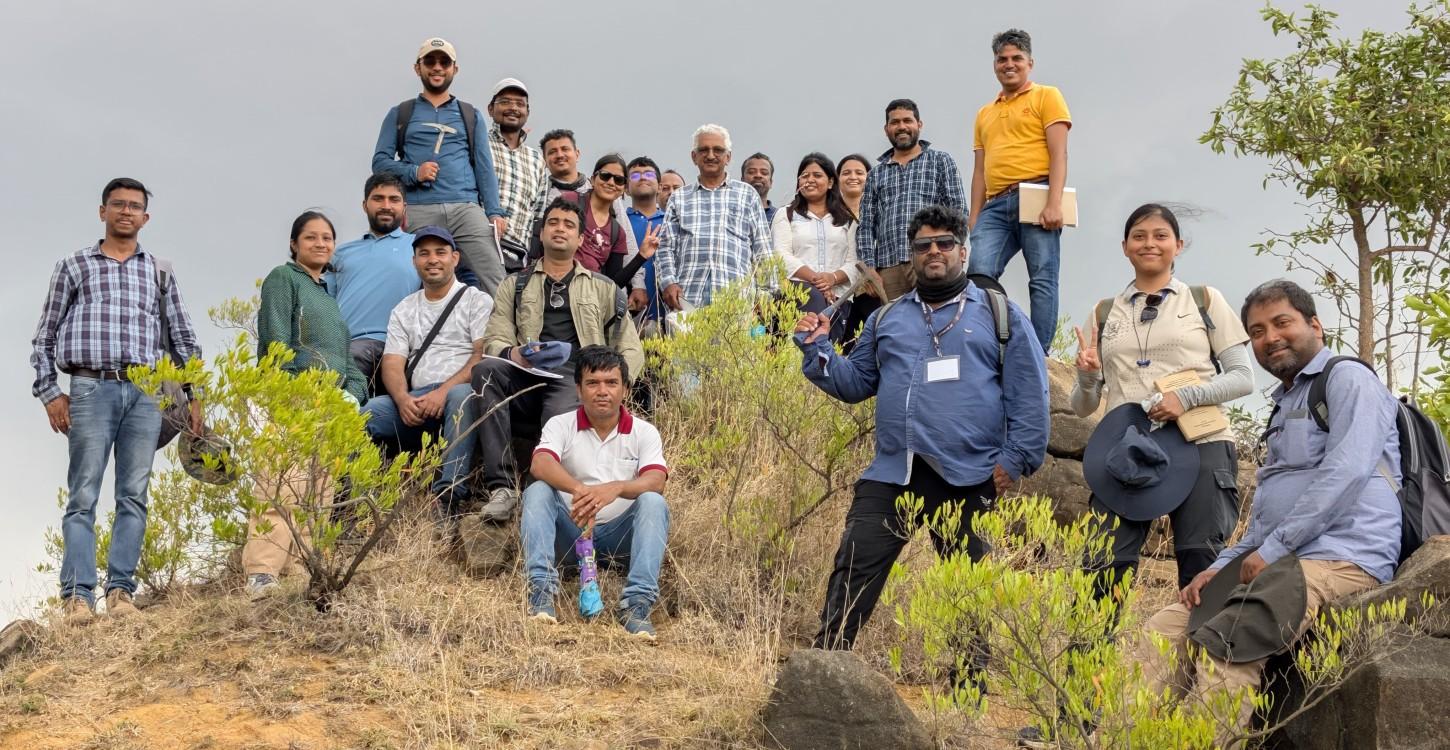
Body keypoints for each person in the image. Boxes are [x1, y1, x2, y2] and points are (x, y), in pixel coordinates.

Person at [1128, 279, 1401, 741]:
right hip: (1281, 556)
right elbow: (1267, 518)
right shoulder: (1285, 404)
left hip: (1340, 556)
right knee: (1163, 630)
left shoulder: (1348, 378)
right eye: (1256, 331)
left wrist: (1274, 549)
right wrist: (1219, 567)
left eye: (1281, 323)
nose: (1269, 337)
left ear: (1314, 324)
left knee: (1232, 638)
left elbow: (1347, 472)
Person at [793, 205, 1049, 654]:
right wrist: (819, 351)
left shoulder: (998, 313)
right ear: (911, 255)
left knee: (968, 588)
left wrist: (1015, 460)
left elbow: (1030, 395)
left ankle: (966, 695)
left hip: (969, 474)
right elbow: (856, 384)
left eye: (944, 243)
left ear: (963, 253)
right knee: (853, 566)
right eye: (923, 245)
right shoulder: (886, 318)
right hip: (894, 470)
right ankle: (825, 664)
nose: (934, 251)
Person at [31, 177, 203, 623]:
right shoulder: (74, 266)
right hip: (90, 387)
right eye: (118, 205)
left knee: (134, 494)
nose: (126, 212)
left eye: (135, 206)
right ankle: (77, 597)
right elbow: (44, 336)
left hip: (147, 392)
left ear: (146, 217)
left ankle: (121, 592)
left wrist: (195, 396)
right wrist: (51, 393)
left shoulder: (160, 271)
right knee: (83, 493)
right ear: (102, 211)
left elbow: (184, 339)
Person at [1075, 204, 1254, 591]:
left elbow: (1243, 378)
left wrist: (1186, 398)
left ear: (1178, 245)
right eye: (1139, 236)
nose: (1149, 244)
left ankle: (1199, 653)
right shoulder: (1106, 313)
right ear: (1125, 246)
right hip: (1125, 448)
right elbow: (1083, 406)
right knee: (1104, 565)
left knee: (1201, 562)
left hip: (1201, 442)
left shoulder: (1204, 300)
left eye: (1160, 236)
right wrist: (1087, 377)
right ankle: (1089, 653)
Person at [472, 197, 646, 523]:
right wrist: (513, 354)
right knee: (485, 370)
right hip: (526, 369)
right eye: (553, 223)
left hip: (576, 377)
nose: (560, 229)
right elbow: (495, 337)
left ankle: (544, 494)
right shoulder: (516, 283)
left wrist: (617, 386)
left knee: (559, 413)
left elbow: (631, 348)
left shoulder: (604, 288)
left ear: (581, 239)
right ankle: (503, 487)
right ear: (541, 232)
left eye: (569, 225)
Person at [247, 211, 369, 597]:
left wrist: (352, 392)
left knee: (320, 492)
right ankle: (263, 573)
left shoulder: (327, 296)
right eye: (311, 237)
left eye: (327, 238)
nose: (320, 244)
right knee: (280, 487)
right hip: (293, 398)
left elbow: (347, 361)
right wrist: (296, 390)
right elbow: (277, 340)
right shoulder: (283, 279)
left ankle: (301, 570)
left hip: (333, 406)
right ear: (294, 244)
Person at [521, 346, 670, 638]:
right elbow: (540, 463)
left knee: (653, 502)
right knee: (537, 490)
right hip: (570, 533)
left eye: (611, 383)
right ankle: (540, 594)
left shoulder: (644, 431)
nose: (602, 391)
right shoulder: (561, 424)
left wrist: (616, 488)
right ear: (578, 389)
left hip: (620, 540)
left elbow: (656, 480)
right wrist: (583, 493)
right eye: (592, 383)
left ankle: (636, 605)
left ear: (626, 389)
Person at [362, 226, 494, 525]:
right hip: (416, 399)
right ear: (414, 262)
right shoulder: (404, 309)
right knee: (369, 413)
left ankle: (448, 498)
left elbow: (480, 358)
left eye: (440, 252)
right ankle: (362, 500)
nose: (432, 259)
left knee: (462, 396)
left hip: (457, 394)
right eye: (424, 253)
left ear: (455, 258)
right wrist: (402, 398)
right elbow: (393, 362)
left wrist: (443, 391)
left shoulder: (477, 300)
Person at [372, 37, 508, 293]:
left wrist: (494, 211)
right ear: (418, 68)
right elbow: (380, 163)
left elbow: (483, 166)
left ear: (454, 69)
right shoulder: (401, 113)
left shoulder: (470, 114)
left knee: (494, 275)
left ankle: (510, 334)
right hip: (418, 209)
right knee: (407, 279)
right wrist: (413, 172)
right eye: (430, 61)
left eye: (444, 62)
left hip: (465, 207)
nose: (437, 67)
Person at [967, 28, 1073, 353]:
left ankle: (1038, 352)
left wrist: (1054, 202)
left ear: (1029, 62)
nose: (1009, 64)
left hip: (1037, 192)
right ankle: (987, 344)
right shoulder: (985, 112)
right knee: (977, 274)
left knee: (1041, 278)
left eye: (1016, 58)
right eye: (1002, 59)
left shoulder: (1046, 95)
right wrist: (974, 218)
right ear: (994, 64)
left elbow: (1059, 154)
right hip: (996, 203)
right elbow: (979, 170)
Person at [852, 100, 966, 336]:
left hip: (931, 257)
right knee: (897, 330)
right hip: (888, 266)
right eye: (895, 122)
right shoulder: (876, 174)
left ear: (919, 125)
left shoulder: (940, 161)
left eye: (907, 121)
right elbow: (866, 226)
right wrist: (868, 269)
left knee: (940, 321)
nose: (901, 126)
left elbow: (958, 211)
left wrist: (953, 251)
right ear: (886, 129)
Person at [655, 124, 773, 310]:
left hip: (737, 302)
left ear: (728, 157)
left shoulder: (747, 194)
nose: (710, 155)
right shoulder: (679, 197)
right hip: (687, 300)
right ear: (694, 157)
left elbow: (763, 250)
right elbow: (665, 247)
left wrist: (765, 295)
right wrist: (668, 282)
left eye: (718, 150)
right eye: (703, 150)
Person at [329, 173, 421, 397]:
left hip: (402, 348)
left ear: (404, 207)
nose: (386, 206)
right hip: (351, 346)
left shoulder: (420, 247)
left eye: (394, 199)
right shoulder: (341, 253)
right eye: (378, 198)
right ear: (365, 205)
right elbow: (325, 303)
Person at [772, 152, 860, 342]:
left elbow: (855, 262)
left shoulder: (847, 219)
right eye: (804, 176)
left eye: (817, 175)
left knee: (831, 353)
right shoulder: (786, 214)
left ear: (830, 182)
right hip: (797, 294)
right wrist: (817, 281)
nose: (809, 180)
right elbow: (781, 255)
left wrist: (833, 278)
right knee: (802, 347)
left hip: (837, 297)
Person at [533, 130, 639, 260]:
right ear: (544, 160)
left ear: (577, 154)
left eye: (565, 149)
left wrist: (636, 279)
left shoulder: (603, 188)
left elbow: (627, 241)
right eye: (552, 152)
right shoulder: (541, 194)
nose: (560, 155)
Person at [559, 154, 659, 287]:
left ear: (623, 189)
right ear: (593, 179)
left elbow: (613, 285)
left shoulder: (617, 232)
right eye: (605, 176)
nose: (611, 182)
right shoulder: (570, 200)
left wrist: (641, 256)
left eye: (619, 180)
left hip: (588, 299)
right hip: (554, 288)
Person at [486, 77, 549, 270]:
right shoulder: (479, 145)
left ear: (527, 112)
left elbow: (538, 213)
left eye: (520, 104)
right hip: (481, 247)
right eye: (505, 102)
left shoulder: (536, 159)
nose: (513, 108)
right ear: (490, 109)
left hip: (518, 256)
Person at [625, 156, 667, 319]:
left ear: (660, 187)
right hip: (632, 310)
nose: (642, 177)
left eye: (649, 175)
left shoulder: (672, 221)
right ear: (626, 189)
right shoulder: (620, 222)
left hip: (670, 310)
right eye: (635, 176)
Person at [742, 152, 776, 222]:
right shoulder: (732, 213)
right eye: (751, 172)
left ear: (771, 182)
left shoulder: (779, 216)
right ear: (742, 181)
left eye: (764, 173)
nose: (758, 175)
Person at [836, 154, 870, 221]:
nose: (853, 177)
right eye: (846, 173)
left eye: (859, 173)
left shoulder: (879, 212)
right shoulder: (826, 213)